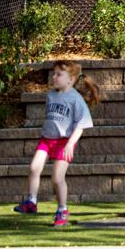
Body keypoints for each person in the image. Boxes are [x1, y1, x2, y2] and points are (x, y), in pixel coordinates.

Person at [12, 60, 100, 227]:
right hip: (47, 139)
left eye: (59, 74)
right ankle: (31, 202)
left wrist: (70, 144)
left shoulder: (76, 99)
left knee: (57, 178)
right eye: (54, 74)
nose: (54, 77)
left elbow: (81, 125)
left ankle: (62, 210)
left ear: (71, 79)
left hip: (64, 142)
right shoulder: (51, 95)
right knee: (33, 168)